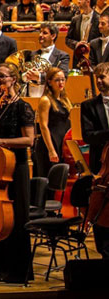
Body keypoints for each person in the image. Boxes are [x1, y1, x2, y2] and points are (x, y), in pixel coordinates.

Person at [0, 63, 35, 284]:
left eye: (3, 77)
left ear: (14, 79)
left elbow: (29, 140)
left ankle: (16, 271)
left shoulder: (23, 107)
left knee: (16, 219)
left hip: (16, 169)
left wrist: (1, 141)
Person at [80, 63, 109, 260]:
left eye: (103, 76)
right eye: (97, 77)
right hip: (103, 167)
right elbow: (88, 136)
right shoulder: (88, 106)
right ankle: (104, 252)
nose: (99, 81)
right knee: (101, 212)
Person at [35, 67, 71, 178]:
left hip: (61, 143)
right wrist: (51, 150)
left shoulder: (65, 100)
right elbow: (43, 126)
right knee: (48, 180)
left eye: (62, 79)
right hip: (49, 144)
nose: (61, 82)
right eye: (57, 80)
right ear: (49, 82)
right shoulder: (46, 100)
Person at [65, 0, 100, 68]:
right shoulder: (75, 19)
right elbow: (68, 39)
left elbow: (103, 39)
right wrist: (77, 44)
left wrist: (91, 45)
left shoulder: (99, 19)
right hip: (78, 59)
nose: (78, 1)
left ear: (88, 2)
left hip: (94, 59)